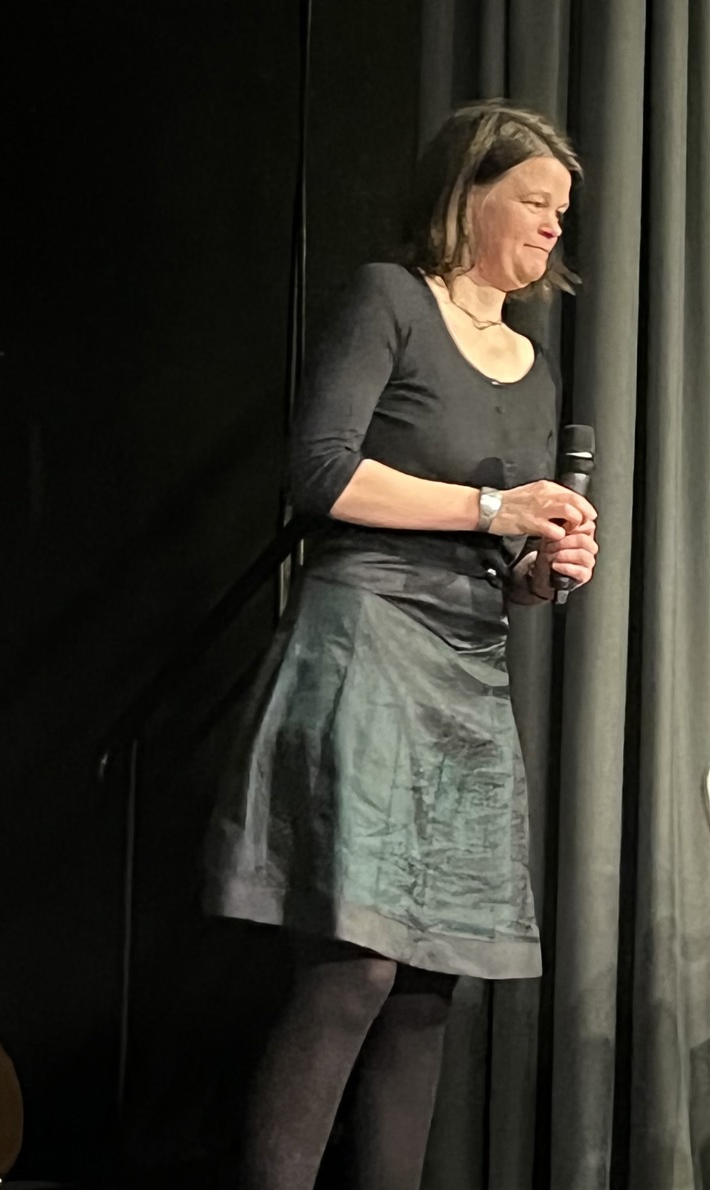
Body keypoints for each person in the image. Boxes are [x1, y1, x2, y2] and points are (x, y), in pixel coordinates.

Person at [203, 101, 597, 1190]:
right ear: (468, 196)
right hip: (368, 638)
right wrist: (493, 508)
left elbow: (505, 554)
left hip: (469, 670)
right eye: (534, 201)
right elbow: (323, 470)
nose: (552, 225)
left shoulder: (534, 364)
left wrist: (540, 565)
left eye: (562, 212)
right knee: (358, 968)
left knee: (430, 987)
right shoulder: (392, 300)